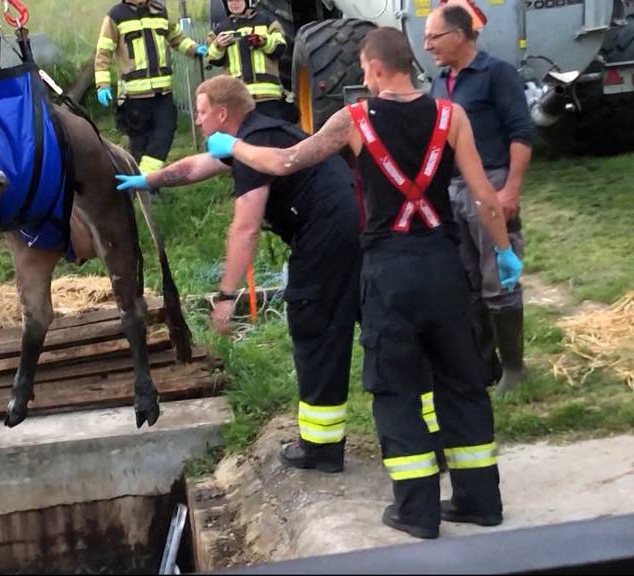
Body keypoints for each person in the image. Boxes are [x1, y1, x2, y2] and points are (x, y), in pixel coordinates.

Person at [205, 27, 522, 539]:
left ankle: (416, 511)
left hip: (389, 270)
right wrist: (504, 252)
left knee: (396, 386)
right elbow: (485, 196)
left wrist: (234, 146)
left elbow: (285, 161)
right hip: (444, 266)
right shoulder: (451, 116)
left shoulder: (352, 120)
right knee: (461, 381)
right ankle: (479, 500)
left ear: (373, 68)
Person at [116, 75, 361, 473]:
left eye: (200, 112)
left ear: (222, 112)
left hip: (327, 236)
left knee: (315, 327)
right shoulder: (257, 135)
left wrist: (226, 296)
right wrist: (147, 180)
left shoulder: (252, 148)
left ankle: (321, 448)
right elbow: (198, 165)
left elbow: (245, 227)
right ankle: (420, 434)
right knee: (380, 326)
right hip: (360, 225)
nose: (196, 121)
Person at [426, 4, 532, 395]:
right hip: (452, 190)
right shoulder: (439, 83)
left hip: (489, 183)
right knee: (468, 280)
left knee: (497, 279)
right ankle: (483, 367)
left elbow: (521, 133)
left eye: (434, 37)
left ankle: (515, 370)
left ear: (459, 35)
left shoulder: (496, 74)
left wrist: (510, 190)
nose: (428, 45)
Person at [94, 0, 208, 174]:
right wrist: (102, 85)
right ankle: (147, 187)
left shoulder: (160, 11)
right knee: (140, 143)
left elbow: (176, 38)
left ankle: (144, 180)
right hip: (133, 95)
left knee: (165, 133)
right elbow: (103, 53)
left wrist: (194, 49)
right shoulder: (115, 16)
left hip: (163, 92)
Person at [206, 0, 297, 123]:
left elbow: (280, 48)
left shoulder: (268, 22)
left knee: (270, 136)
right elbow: (211, 58)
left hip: (268, 97)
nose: (234, 4)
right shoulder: (221, 30)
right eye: (230, 1)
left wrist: (263, 41)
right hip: (239, 98)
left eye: (238, 0)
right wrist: (219, 46)